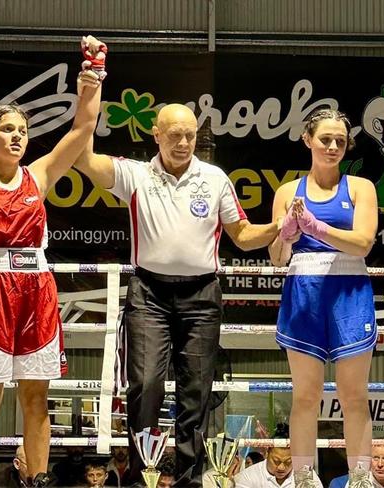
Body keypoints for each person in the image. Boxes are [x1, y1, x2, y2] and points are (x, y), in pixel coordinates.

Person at [74, 102, 279, 487]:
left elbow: (243, 235)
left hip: (202, 296)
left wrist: (281, 226)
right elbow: (82, 156)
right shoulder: (133, 175)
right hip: (148, 293)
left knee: (196, 392)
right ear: (156, 134)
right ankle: (141, 477)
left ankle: (190, 480)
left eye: (190, 135)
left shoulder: (215, 178)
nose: (184, 143)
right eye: (174, 135)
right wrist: (90, 90)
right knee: (146, 385)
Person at [0, 36, 106, 488]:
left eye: (24, 131)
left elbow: (80, 131)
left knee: (37, 398)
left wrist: (91, 72)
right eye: (9, 130)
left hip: (37, 288)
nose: (18, 137)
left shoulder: (40, 175)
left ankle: (37, 481)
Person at [269, 108, 378, 487]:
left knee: (353, 395)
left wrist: (317, 226)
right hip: (304, 290)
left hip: (349, 291)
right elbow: (278, 258)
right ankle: (302, 478)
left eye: (340, 141)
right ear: (308, 140)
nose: (333, 147)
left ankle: (361, 478)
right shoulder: (287, 192)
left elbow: (363, 244)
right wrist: (286, 233)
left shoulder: (361, 187)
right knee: (305, 395)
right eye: (326, 139)